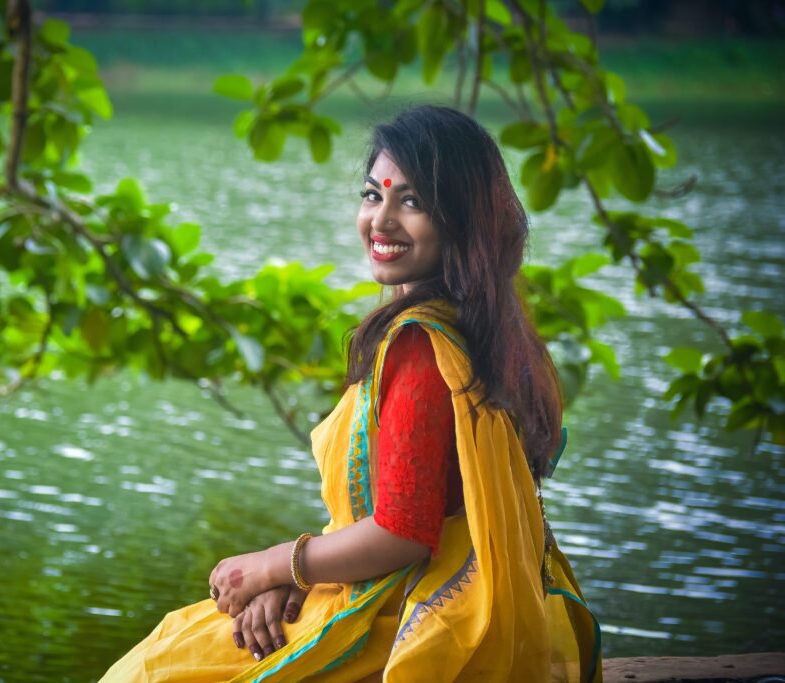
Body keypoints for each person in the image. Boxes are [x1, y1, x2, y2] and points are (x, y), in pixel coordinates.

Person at [100, 105, 601, 682]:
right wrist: (293, 581)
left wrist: (272, 564)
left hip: (407, 619)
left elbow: (403, 532)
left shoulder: (421, 347)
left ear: (461, 219)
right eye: (372, 195)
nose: (381, 220)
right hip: (436, 600)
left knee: (157, 668)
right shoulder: (500, 334)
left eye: (411, 202)